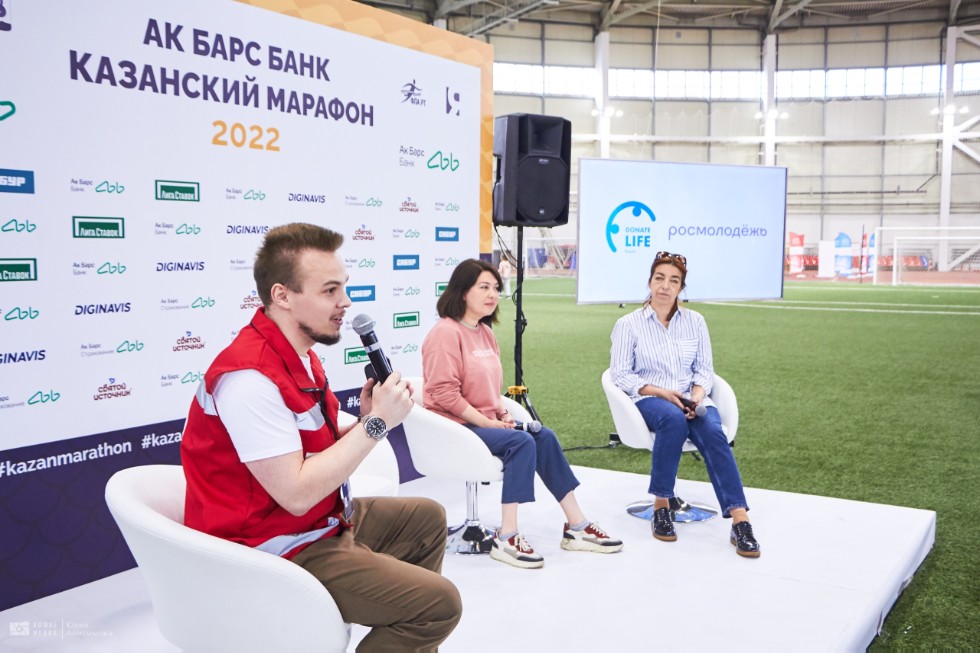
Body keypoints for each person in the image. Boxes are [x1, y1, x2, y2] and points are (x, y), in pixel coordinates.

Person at [180, 223, 462, 651]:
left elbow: (308, 449)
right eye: (330, 290)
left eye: (343, 287)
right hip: (269, 548)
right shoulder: (250, 379)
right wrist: (377, 424)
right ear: (282, 295)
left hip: (313, 523)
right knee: (439, 604)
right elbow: (296, 493)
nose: (345, 302)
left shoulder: (300, 355)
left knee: (426, 519)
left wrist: (364, 420)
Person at [422, 258, 623, 569]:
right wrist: (488, 422)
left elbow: (489, 389)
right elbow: (442, 393)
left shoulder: (484, 332)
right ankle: (507, 536)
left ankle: (577, 526)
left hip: (484, 423)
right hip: (456, 427)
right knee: (521, 442)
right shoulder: (445, 333)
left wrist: (501, 413)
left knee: (544, 436)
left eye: (495, 288)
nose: (492, 294)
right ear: (462, 291)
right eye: (484, 287)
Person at [609, 251, 760, 557]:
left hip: (692, 398)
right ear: (650, 282)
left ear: (681, 287)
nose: (665, 286)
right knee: (672, 419)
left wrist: (698, 396)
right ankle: (661, 506)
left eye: (673, 281)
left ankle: (740, 519)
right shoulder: (628, 324)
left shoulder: (695, 322)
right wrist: (663, 393)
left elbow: (704, 370)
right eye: (659, 278)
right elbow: (621, 374)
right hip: (650, 398)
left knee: (714, 432)